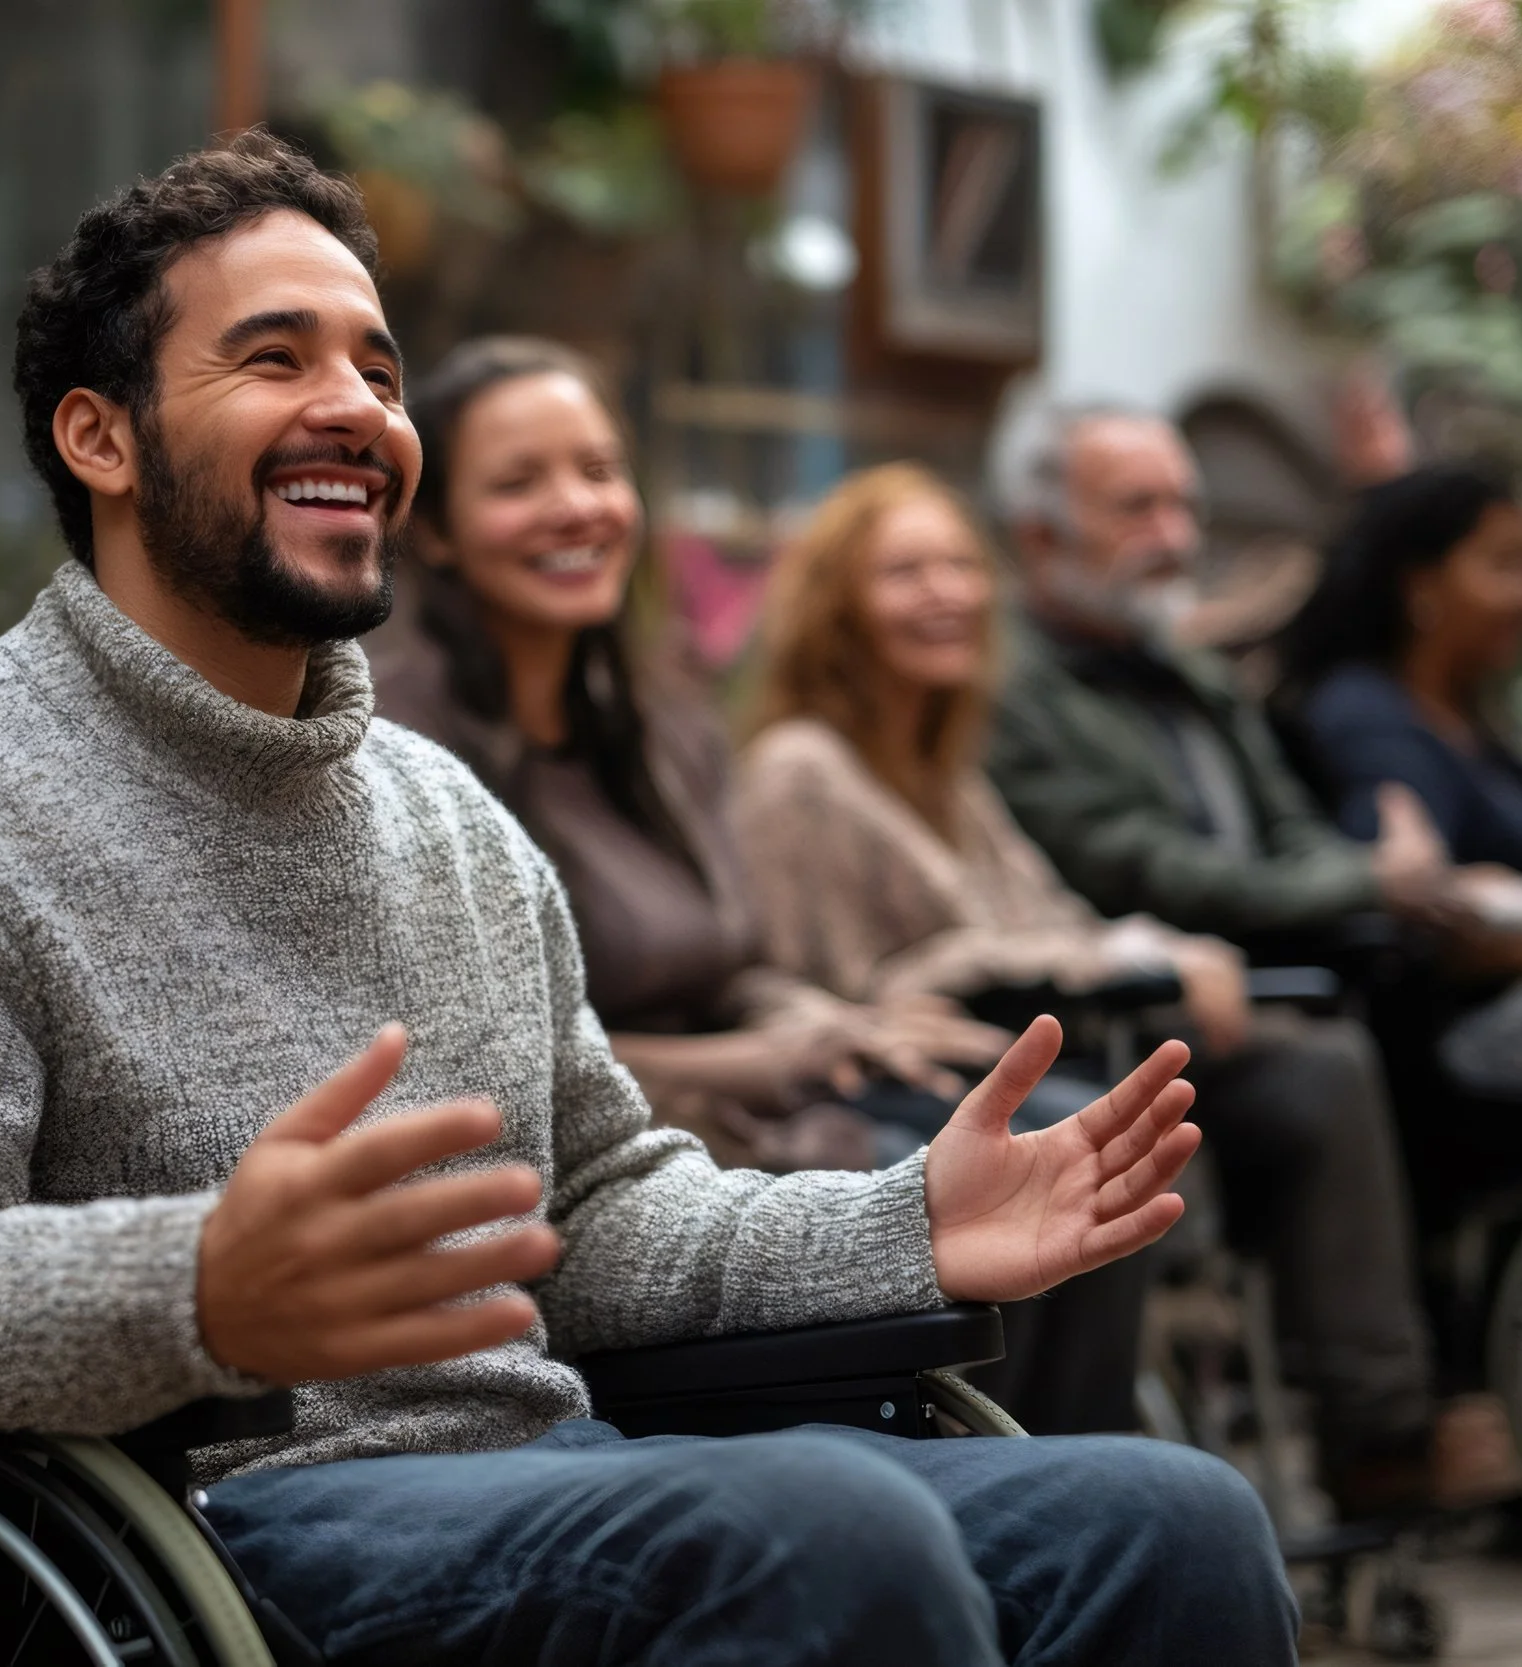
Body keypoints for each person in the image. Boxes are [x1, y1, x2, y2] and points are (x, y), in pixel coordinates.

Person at [0, 135, 1293, 1665]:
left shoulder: (445, 813)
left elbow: (597, 1213)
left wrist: (900, 1225)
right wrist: (192, 1284)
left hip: (545, 1477)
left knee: (1168, 1515)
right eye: (275, 359)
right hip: (205, 1525)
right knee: (815, 1526)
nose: (357, 409)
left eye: (382, 372)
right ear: (101, 438)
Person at [372, 338, 1149, 1437]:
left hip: (763, 1102)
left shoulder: (660, 725)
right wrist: (769, 1053)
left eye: (597, 470)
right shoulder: (406, 754)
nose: (575, 507)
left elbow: (737, 964)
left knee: (1073, 1156)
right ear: (434, 528)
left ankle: (1047, 1497)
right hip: (616, 1172)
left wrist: (827, 1021)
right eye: (518, 481)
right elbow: (480, 1077)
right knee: (997, 1188)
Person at [736, 460, 1447, 1504]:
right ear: (836, 605)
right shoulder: (801, 766)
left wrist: (1141, 949)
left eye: (952, 565)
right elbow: (831, 978)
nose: (943, 591)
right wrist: (1138, 957)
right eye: (902, 572)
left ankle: (1374, 1437)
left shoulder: (944, 770)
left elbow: (1044, 916)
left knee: (1320, 1060)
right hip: (909, 1089)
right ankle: (1076, 1487)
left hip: (1029, 1046)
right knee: (1131, 1120)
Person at [987, 406, 1459, 948]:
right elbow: (1146, 874)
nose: (1175, 537)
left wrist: (1377, 875)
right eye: (1137, 508)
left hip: (1292, 967)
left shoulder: (1193, 670)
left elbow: (1289, 826)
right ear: (1041, 537)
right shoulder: (1007, 685)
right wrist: (1368, 880)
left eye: (1185, 506)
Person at [1280, 464, 1522, 974]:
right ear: (1421, 586)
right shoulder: (1368, 719)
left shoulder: (1468, 713)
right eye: (1503, 566)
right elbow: (1408, 905)